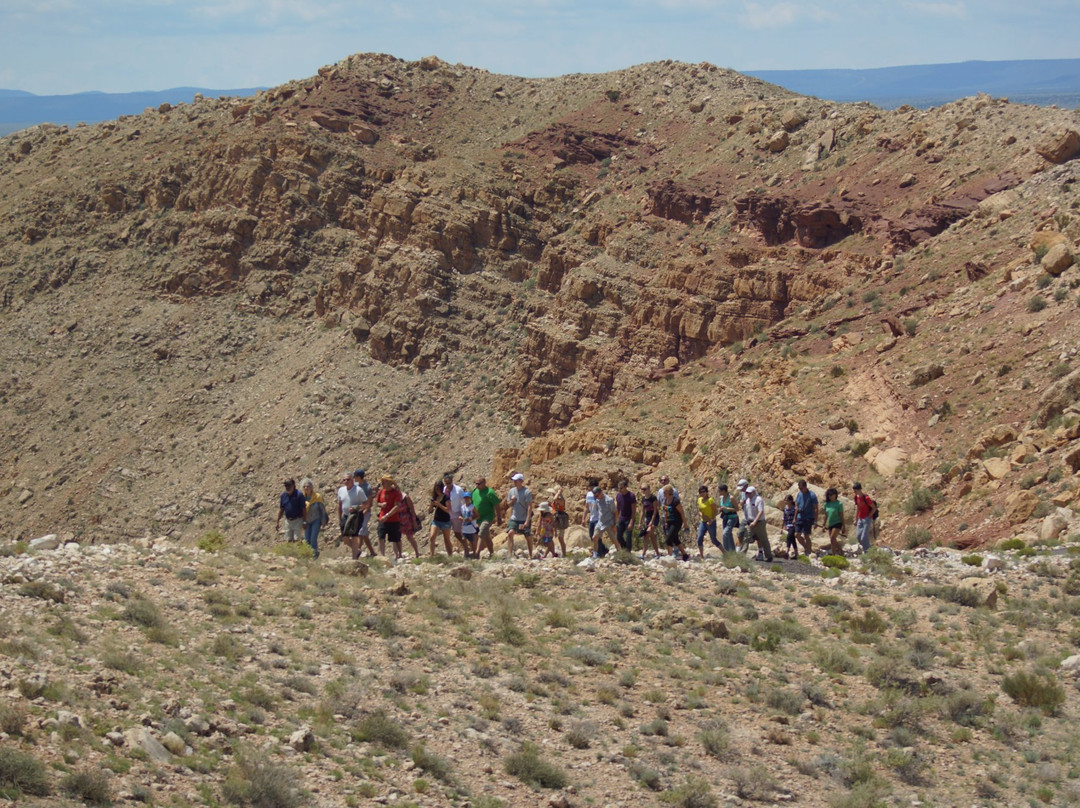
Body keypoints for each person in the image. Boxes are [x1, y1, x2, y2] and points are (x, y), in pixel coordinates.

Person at [337, 471, 373, 559]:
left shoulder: (358, 490)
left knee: (354, 536)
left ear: (352, 480)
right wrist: (339, 518)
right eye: (344, 480)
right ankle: (357, 550)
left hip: (356, 516)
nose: (346, 481)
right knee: (344, 537)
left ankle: (354, 558)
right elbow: (339, 504)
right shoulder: (341, 490)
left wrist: (356, 508)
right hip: (345, 516)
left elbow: (366, 504)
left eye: (348, 480)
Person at [375, 474, 404, 562]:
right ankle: (382, 556)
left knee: (395, 539)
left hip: (393, 519)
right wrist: (381, 505)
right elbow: (377, 503)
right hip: (382, 518)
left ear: (390, 483)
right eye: (382, 482)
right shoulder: (381, 492)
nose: (383, 483)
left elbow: (397, 507)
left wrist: (387, 515)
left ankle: (399, 555)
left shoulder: (396, 493)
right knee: (381, 536)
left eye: (384, 482)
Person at [505, 473, 534, 558]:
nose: (514, 482)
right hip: (514, 517)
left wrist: (527, 521)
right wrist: (512, 500)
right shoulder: (511, 491)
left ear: (520, 481)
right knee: (510, 533)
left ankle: (531, 554)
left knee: (528, 536)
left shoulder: (527, 492)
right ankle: (510, 554)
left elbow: (529, 507)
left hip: (524, 518)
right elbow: (508, 504)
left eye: (516, 480)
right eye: (514, 480)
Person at [471, 477, 502, 559]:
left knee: (481, 532)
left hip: (488, 516)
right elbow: (471, 503)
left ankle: (477, 553)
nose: (477, 485)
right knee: (486, 535)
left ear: (484, 483)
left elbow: (497, 504)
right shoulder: (474, 492)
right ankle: (492, 553)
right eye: (476, 483)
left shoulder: (490, 493)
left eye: (479, 483)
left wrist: (499, 517)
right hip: (478, 517)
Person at [742, 485, 774, 562]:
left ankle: (769, 556)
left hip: (759, 523)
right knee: (746, 538)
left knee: (763, 539)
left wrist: (755, 521)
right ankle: (741, 555)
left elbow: (760, 511)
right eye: (747, 493)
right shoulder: (747, 500)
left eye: (749, 493)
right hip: (750, 522)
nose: (748, 494)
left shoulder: (758, 500)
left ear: (753, 492)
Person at [661, 484, 690, 561]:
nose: (663, 493)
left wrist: (685, 524)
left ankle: (669, 557)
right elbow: (666, 512)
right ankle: (685, 555)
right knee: (675, 539)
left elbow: (682, 513)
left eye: (664, 491)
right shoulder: (665, 500)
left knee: (669, 539)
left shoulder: (675, 501)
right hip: (669, 522)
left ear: (668, 491)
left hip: (676, 522)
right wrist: (666, 522)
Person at [300, 478, 328, 559]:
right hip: (306, 521)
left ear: (311, 487)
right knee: (307, 539)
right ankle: (308, 556)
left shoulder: (317, 497)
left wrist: (323, 521)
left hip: (316, 520)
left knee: (313, 538)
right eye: (304, 486)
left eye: (308, 486)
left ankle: (314, 555)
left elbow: (322, 509)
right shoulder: (302, 498)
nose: (306, 488)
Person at [442, 472, 468, 553]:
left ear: (452, 481)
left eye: (449, 483)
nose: (448, 485)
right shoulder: (444, 490)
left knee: (458, 533)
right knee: (446, 534)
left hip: (457, 513)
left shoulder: (458, 490)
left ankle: (466, 548)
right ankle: (449, 552)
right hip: (447, 514)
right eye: (446, 483)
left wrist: (462, 513)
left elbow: (464, 502)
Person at [696, 485, 722, 559]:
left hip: (711, 521)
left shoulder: (710, 500)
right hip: (703, 521)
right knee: (699, 538)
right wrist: (701, 514)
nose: (702, 493)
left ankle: (725, 553)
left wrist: (711, 520)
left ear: (707, 492)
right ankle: (701, 556)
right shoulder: (699, 500)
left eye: (703, 492)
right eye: (700, 492)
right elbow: (700, 510)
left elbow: (715, 511)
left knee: (713, 540)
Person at [428, 479, 454, 556]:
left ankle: (450, 555)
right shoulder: (435, 497)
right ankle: (432, 555)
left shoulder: (446, 497)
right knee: (432, 537)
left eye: (438, 489)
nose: (437, 491)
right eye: (436, 489)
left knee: (446, 539)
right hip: (436, 520)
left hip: (445, 521)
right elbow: (430, 511)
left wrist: (439, 504)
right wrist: (431, 505)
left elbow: (448, 510)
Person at [277, 478, 306, 543]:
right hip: (288, 521)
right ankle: (290, 553)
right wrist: (278, 521)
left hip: (297, 520)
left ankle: (299, 552)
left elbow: (304, 509)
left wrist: (304, 522)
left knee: (297, 540)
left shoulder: (299, 495)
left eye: (289, 485)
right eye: (286, 485)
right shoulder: (283, 496)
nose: (287, 487)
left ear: (293, 485)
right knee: (288, 540)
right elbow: (281, 509)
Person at [355, 469, 377, 555]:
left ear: (359, 477)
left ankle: (358, 551)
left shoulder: (367, 487)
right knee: (363, 533)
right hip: (357, 512)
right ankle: (372, 552)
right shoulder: (355, 486)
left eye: (355, 476)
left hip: (365, 513)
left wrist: (364, 511)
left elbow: (370, 502)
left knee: (361, 531)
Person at [794, 479, 818, 556]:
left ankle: (809, 551)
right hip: (800, 517)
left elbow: (816, 508)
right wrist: (794, 518)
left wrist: (815, 521)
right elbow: (797, 506)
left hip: (808, 517)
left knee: (806, 535)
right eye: (799, 488)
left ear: (805, 487)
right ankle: (806, 547)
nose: (800, 490)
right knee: (797, 534)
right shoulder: (799, 494)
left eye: (801, 488)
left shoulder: (812, 495)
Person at [397, 486, 422, 559]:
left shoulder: (406, 498)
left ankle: (417, 552)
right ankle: (399, 554)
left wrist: (414, 521)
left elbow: (412, 509)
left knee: (409, 537)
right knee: (397, 537)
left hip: (407, 519)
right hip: (398, 519)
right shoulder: (394, 499)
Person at [638, 482, 661, 559]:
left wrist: (652, 521)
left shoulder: (653, 498)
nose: (643, 491)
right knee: (652, 536)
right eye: (642, 489)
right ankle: (658, 554)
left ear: (648, 489)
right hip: (647, 518)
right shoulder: (643, 499)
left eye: (644, 489)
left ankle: (643, 554)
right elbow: (642, 511)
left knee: (646, 534)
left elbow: (655, 510)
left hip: (654, 518)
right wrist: (640, 522)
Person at [821, 487, 846, 556]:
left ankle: (833, 555)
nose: (830, 496)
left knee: (832, 537)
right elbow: (826, 515)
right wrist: (823, 525)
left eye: (831, 495)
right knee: (833, 539)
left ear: (835, 495)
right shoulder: (827, 504)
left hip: (837, 523)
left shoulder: (839, 504)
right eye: (829, 495)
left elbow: (841, 516)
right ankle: (840, 551)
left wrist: (843, 526)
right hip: (830, 523)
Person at [615, 480, 637, 552]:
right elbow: (618, 508)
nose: (620, 490)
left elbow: (634, 511)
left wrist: (631, 522)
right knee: (618, 536)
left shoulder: (631, 496)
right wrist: (617, 518)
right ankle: (624, 548)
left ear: (625, 487)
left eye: (621, 488)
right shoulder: (618, 495)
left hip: (629, 518)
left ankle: (628, 552)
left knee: (628, 536)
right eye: (619, 488)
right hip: (621, 518)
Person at [717, 483, 739, 553]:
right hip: (725, 518)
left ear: (724, 491)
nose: (719, 492)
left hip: (732, 518)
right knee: (729, 534)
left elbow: (737, 509)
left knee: (725, 533)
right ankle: (733, 551)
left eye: (719, 491)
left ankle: (726, 552)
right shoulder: (721, 498)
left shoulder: (731, 498)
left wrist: (726, 508)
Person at [852, 483, 875, 552]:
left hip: (867, 519)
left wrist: (869, 516)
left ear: (859, 490)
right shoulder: (856, 497)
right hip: (860, 519)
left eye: (855, 491)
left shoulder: (866, 498)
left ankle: (867, 551)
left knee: (864, 537)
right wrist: (856, 520)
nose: (855, 493)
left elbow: (874, 508)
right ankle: (868, 548)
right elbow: (858, 508)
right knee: (859, 537)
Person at [551, 486, 569, 557]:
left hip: (560, 520)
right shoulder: (558, 500)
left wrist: (558, 492)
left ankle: (564, 554)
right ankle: (553, 552)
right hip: (555, 519)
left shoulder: (561, 500)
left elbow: (555, 499)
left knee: (560, 538)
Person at [460, 491, 479, 557]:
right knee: (463, 539)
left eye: (468, 498)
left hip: (471, 527)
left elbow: (477, 515)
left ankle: (474, 554)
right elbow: (461, 515)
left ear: (470, 498)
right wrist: (460, 517)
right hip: (464, 527)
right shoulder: (462, 507)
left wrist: (470, 519)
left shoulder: (472, 507)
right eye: (465, 498)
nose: (466, 499)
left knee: (472, 542)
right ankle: (466, 552)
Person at [583, 478, 600, 545]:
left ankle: (599, 552)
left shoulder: (600, 495)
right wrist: (583, 519)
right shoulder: (589, 495)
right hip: (592, 519)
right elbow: (587, 507)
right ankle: (603, 550)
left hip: (599, 519)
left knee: (596, 536)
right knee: (591, 536)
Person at [735, 479, 751, 550]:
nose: (741, 490)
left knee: (757, 536)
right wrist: (742, 503)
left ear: (746, 486)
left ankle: (760, 552)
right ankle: (738, 551)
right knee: (740, 533)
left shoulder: (752, 493)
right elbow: (742, 504)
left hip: (752, 517)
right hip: (745, 516)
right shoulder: (743, 493)